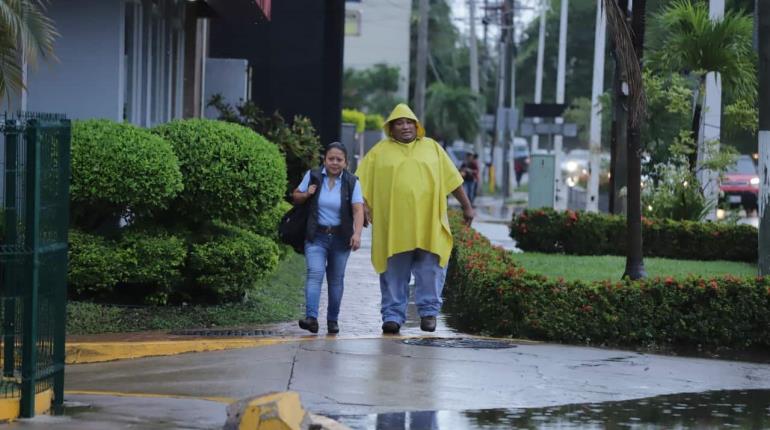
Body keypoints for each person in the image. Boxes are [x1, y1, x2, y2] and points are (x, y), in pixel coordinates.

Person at [356, 104, 475, 335]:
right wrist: (363, 207)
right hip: (394, 227)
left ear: (416, 125)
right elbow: (359, 184)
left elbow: (454, 181)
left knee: (430, 270)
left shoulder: (432, 148)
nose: (405, 126)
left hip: (428, 225)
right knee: (393, 273)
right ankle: (392, 316)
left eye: (409, 122)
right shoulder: (380, 151)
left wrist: (467, 207)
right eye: (399, 123)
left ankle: (429, 313)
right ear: (391, 128)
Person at [292, 142, 365, 334]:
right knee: (314, 274)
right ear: (324, 160)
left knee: (335, 280)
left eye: (339, 160)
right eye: (331, 159)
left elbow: (358, 210)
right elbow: (296, 196)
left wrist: (357, 234)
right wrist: (307, 193)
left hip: (341, 239)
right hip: (316, 236)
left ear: (346, 163)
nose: (334, 163)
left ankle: (332, 320)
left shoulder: (352, 182)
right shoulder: (313, 176)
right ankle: (311, 318)